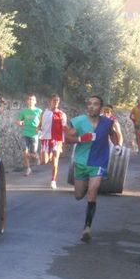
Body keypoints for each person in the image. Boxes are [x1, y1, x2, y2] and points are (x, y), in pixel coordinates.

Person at [66, 95, 123, 242]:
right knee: (79, 195)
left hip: (98, 162)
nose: (91, 106)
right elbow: (67, 138)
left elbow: (112, 134)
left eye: (95, 104)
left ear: (101, 108)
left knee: (93, 191)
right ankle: (85, 185)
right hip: (81, 162)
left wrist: (116, 146)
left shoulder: (107, 122)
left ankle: (87, 228)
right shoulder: (79, 121)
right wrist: (80, 139)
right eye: (89, 104)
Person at [39, 94, 68, 189]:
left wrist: (68, 131)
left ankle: (53, 180)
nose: (56, 102)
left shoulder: (62, 114)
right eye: (54, 100)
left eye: (57, 101)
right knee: (44, 161)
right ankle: (49, 154)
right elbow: (39, 125)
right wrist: (38, 130)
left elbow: (64, 127)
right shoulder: (44, 113)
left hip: (57, 140)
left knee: (56, 161)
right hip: (46, 139)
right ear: (50, 101)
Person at [17, 94, 42, 176]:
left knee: (33, 152)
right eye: (29, 99)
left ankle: (36, 156)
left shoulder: (39, 111)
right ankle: (28, 169)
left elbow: (43, 122)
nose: (31, 101)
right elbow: (19, 121)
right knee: (25, 152)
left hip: (34, 134)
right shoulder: (23, 111)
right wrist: (20, 123)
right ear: (27, 101)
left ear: (35, 101)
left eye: (32, 99)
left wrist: (39, 127)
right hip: (25, 133)